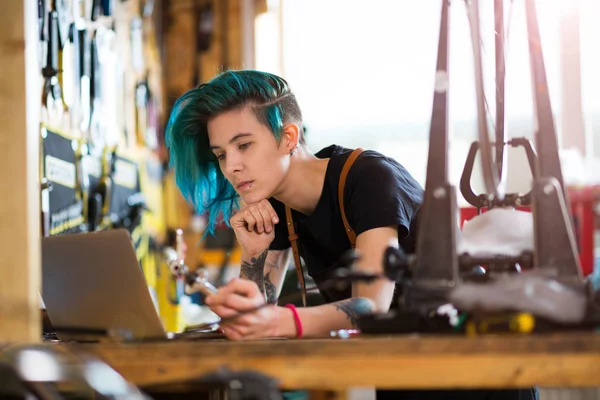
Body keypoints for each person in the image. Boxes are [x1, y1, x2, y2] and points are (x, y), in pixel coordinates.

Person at [166, 70, 537, 400]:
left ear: (288, 137)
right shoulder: (277, 205)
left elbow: (370, 306)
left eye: (243, 145)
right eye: (220, 153)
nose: (231, 165)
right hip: (403, 372)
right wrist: (252, 253)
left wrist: (280, 320)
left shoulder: (369, 179)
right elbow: (255, 318)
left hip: (481, 367)